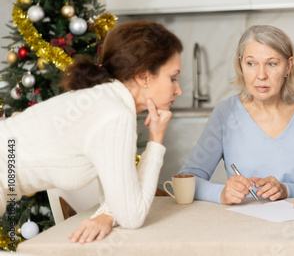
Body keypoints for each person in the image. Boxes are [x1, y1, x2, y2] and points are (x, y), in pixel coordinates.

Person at [0, 20, 182, 244]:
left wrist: (106, 216)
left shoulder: (106, 101)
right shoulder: (114, 113)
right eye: (173, 78)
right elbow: (132, 216)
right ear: (143, 76)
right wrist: (156, 142)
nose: (178, 90)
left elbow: (120, 193)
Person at [179, 25, 294, 205]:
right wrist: (221, 193)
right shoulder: (225, 113)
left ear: (288, 66)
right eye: (251, 64)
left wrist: (286, 189)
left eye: (272, 64)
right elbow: (185, 180)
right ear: (240, 65)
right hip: (243, 225)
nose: (261, 75)